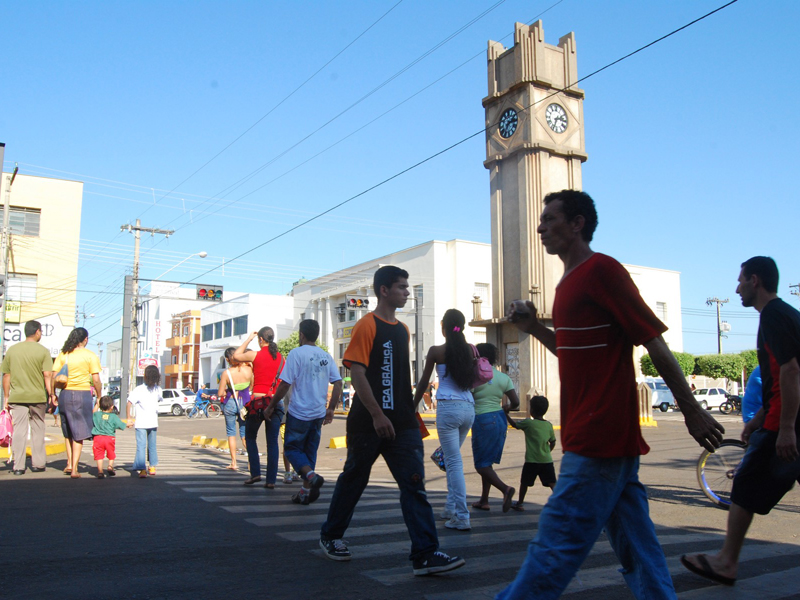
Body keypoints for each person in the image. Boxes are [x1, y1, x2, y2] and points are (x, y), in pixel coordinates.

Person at [498, 189, 724, 600]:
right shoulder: (567, 283)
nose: (540, 227)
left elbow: (653, 341)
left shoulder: (602, 271)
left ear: (578, 223)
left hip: (600, 437)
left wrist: (691, 410)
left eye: (550, 219)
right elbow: (569, 350)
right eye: (541, 219)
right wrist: (533, 329)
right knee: (637, 546)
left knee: (555, 545)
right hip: (602, 437)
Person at [320, 265, 465, 575]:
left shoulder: (402, 330)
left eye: (407, 287)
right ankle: (331, 536)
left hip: (402, 422)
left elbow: (400, 376)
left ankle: (425, 554)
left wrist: (409, 412)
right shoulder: (366, 325)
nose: (407, 292)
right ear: (384, 290)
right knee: (354, 479)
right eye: (402, 287)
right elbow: (356, 372)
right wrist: (376, 414)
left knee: (414, 484)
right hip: (367, 422)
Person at [681, 256, 800, 586]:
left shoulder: (774, 316)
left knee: (745, 484)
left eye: (740, 281)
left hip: (785, 424)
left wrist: (785, 427)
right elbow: (780, 380)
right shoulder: (788, 315)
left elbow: (791, 371)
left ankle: (726, 562)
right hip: (777, 418)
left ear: (756, 281)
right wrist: (756, 420)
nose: (736, 289)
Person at [265, 319, 342, 504]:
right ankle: (305, 492)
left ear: (302, 334)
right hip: (318, 414)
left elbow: (285, 384)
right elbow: (338, 382)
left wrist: (270, 406)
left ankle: (311, 476)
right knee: (310, 453)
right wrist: (331, 408)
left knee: (291, 449)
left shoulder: (296, 354)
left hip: (299, 413)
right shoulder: (325, 356)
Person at [413, 308, 476, 530]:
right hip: (469, 408)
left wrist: (413, 406)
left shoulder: (436, 351)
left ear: (444, 327)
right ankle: (451, 507)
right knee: (451, 460)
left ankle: (462, 515)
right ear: (463, 326)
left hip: (448, 409)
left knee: (453, 462)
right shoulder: (470, 351)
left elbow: (423, 383)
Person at [469, 342, 520, 512]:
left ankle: (505, 489)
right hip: (499, 419)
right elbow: (516, 403)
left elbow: (468, 399)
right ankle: (484, 500)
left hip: (482, 419)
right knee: (487, 462)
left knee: (481, 465)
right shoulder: (503, 377)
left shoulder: (475, 376)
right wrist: (506, 408)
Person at [0, 320, 54, 475]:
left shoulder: (12, 350)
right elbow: (47, 375)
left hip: (17, 397)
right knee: (38, 428)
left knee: (19, 430)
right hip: (37, 397)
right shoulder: (43, 351)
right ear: (37, 332)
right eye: (41, 331)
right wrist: (51, 394)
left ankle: (18, 466)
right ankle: (38, 464)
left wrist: (6, 397)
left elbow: (6, 376)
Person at [233, 327, 284, 487]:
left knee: (250, 437)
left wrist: (248, 339)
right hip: (275, 403)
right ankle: (271, 481)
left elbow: (235, 356)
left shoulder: (255, 355)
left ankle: (255, 473)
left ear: (261, 339)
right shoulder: (281, 358)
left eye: (257, 339)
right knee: (272, 443)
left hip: (258, 403)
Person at [52, 327, 103, 479]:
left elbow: (53, 376)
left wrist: (52, 394)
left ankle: (68, 463)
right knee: (78, 433)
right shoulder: (90, 356)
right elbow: (96, 380)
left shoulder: (64, 354)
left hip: (65, 394)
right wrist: (99, 396)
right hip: (82, 395)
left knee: (67, 432)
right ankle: (74, 468)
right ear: (85, 339)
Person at [506, 395, 556, 511]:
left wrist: (506, 414)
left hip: (532, 460)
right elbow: (553, 442)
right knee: (552, 482)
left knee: (525, 483)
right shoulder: (548, 425)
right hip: (546, 460)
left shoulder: (529, 423)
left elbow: (514, 425)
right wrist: (548, 451)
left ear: (531, 410)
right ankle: (561, 502)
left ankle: (520, 503)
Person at [218, 348, 253, 471]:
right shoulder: (248, 370)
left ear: (227, 359)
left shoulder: (226, 373)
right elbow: (251, 386)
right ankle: (250, 462)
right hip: (245, 403)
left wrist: (228, 390)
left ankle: (234, 463)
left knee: (231, 433)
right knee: (245, 434)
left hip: (231, 402)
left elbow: (220, 392)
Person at [127, 365, 161, 478]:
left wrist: (129, 418)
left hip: (141, 423)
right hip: (153, 422)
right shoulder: (157, 389)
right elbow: (160, 400)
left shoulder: (139, 389)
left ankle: (142, 469)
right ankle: (152, 466)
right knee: (152, 445)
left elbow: (129, 403)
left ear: (145, 376)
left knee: (141, 446)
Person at [91, 395, 127, 478]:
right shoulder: (113, 417)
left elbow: (93, 412)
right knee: (111, 452)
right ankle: (110, 466)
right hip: (109, 438)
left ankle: (100, 471)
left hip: (98, 437)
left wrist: (96, 404)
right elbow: (121, 425)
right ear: (112, 407)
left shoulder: (97, 415)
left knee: (99, 454)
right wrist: (128, 424)